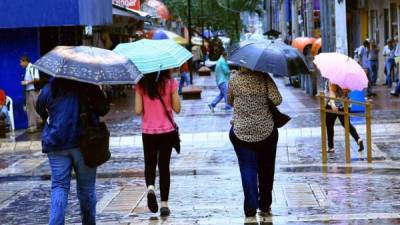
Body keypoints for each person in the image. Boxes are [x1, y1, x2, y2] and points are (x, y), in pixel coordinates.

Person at [36, 78, 109, 225]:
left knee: (59, 186)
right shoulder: (88, 85)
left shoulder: (50, 87)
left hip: (56, 142)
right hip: (84, 144)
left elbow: (40, 109)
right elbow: (103, 109)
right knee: (86, 189)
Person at [228, 68, 282, 218]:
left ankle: (250, 207)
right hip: (266, 131)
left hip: (241, 132)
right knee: (266, 169)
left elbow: (230, 100)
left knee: (247, 168)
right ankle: (265, 205)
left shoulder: (234, 79)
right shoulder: (264, 77)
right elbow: (277, 99)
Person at [135, 70, 181, 217]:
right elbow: (177, 109)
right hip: (167, 131)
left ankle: (150, 188)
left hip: (148, 131)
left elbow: (137, 110)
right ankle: (164, 204)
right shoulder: (170, 83)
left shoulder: (141, 84)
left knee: (149, 163)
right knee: (164, 166)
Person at [326, 83, 364, 153]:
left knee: (329, 124)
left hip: (335, 103)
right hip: (346, 103)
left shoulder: (334, 78)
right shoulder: (348, 80)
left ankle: (331, 147)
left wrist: (332, 104)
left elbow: (332, 92)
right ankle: (358, 139)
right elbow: (348, 90)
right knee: (347, 124)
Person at [20, 55, 42, 133]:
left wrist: (26, 82)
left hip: (33, 90)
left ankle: (37, 123)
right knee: (30, 109)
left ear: (25, 61)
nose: (20, 64)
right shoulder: (27, 69)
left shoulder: (32, 67)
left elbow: (37, 78)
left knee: (33, 108)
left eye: (21, 62)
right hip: (28, 90)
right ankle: (34, 124)